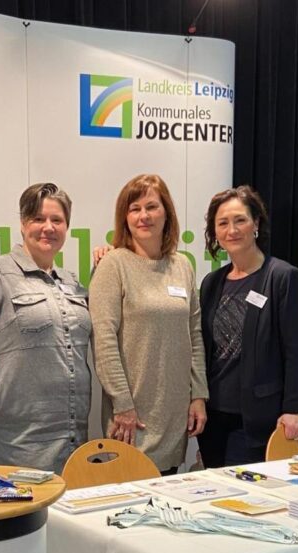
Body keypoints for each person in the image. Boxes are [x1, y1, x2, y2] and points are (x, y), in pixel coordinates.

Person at [0, 183, 91, 473]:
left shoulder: (71, 282)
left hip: (76, 439)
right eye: (38, 218)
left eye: (57, 220)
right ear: (23, 224)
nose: (48, 227)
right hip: (23, 442)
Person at [89, 174, 208, 474]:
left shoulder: (182, 266)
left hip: (174, 416)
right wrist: (122, 405)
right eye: (135, 208)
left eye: (152, 206)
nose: (143, 216)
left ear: (166, 212)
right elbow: (104, 341)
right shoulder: (113, 265)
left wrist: (198, 395)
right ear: (125, 217)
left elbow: (194, 335)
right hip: (131, 419)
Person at [198, 185, 298, 467]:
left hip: (257, 420)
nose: (232, 230)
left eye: (240, 220)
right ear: (215, 232)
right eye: (223, 223)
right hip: (213, 419)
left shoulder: (282, 278)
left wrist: (294, 409)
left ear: (256, 224)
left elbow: (297, 350)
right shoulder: (212, 283)